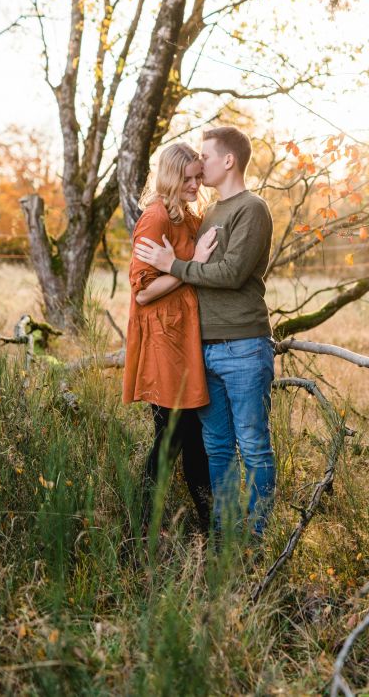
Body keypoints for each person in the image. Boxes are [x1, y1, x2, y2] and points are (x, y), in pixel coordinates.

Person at [133, 126, 275, 538]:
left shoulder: (249, 208)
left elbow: (230, 273)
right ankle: (219, 532)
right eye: (190, 174)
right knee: (210, 445)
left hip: (239, 346)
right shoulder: (194, 214)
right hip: (195, 348)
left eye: (205, 160)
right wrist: (180, 266)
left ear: (228, 160)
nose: (199, 172)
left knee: (250, 446)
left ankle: (254, 536)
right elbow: (146, 290)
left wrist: (175, 265)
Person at [122, 142, 219, 539]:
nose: (196, 185)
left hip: (186, 339)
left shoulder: (189, 217)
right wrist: (190, 265)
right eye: (188, 179)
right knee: (172, 435)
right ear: (170, 177)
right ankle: (143, 525)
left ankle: (212, 526)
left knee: (192, 438)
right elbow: (143, 292)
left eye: (198, 177)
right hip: (165, 342)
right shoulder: (155, 218)